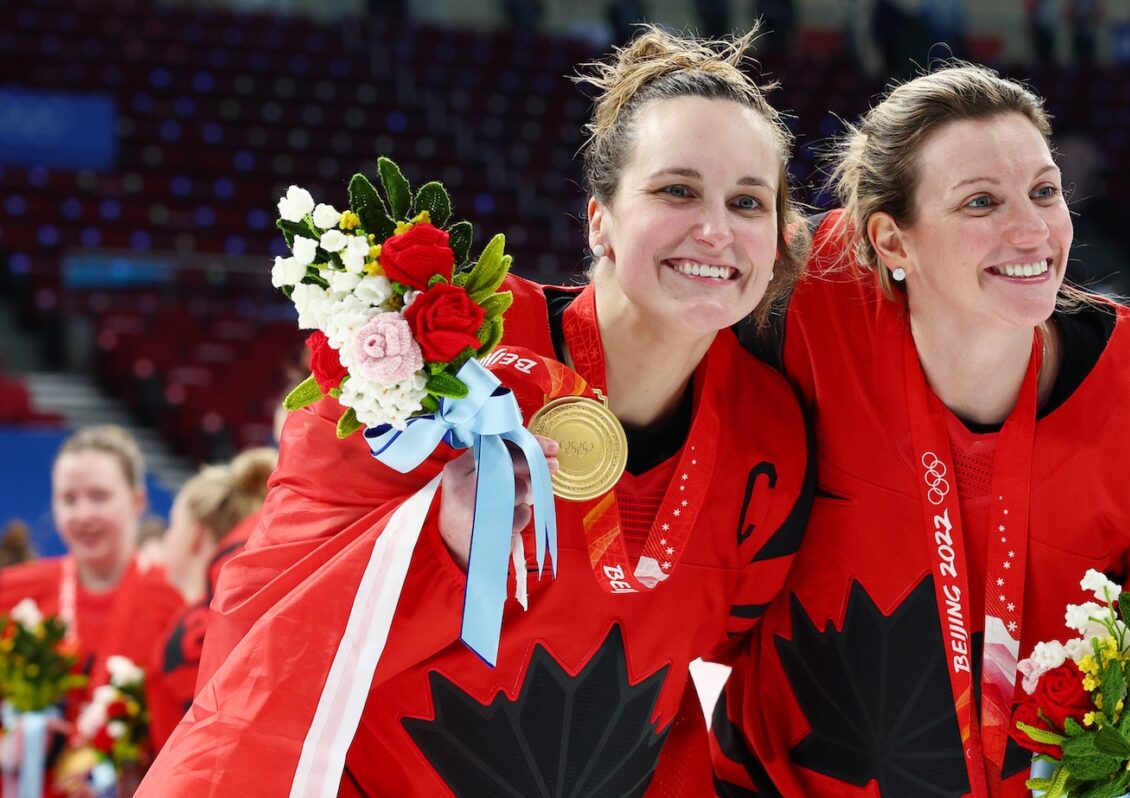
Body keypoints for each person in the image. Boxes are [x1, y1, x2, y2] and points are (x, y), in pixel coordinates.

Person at [140, 27, 811, 797]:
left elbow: (704, 713)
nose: (716, 229)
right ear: (599, 218)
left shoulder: (773, 436)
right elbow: (260, 629)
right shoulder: (439, 352)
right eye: (676, 190)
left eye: (748, 202)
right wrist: (438, 544)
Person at [710, 62, 1130, 797]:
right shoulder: (799, 308)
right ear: (891, 242)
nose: (1032, 229)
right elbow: (637, 343)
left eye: (1045, 191)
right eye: (981, 202)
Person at [0, 426, 184, 787]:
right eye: (69, 499)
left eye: (99, 497)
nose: (83, 514)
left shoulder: (176, 602)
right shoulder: (15, 594)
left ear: (137, 501)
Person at [146, 447, 277, 752]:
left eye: (172, 525)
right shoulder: (252, 598)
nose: (166, 540)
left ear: (195, 533)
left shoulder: (188, 633)